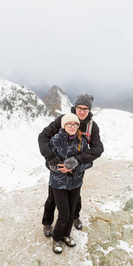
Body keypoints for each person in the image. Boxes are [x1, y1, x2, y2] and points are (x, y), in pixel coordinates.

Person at [38, 93, 104, 236]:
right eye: (79, 108)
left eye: (85, 109)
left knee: (75, 192)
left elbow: (98, 149)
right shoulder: (64, 120)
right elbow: (43, 136)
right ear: (74, 107)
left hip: (77, 167)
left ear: (89, 110)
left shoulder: (92, 127)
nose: (81, 111)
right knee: (53, 196)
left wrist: (77, 160)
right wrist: (50, 157)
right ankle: (48, 222)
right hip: (58, 167)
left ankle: (74, 216)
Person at [47, 113, 93, 254]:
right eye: (69, 124)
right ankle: (56, 239)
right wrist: (62, 169)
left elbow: (89, 162)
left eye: (75, 124)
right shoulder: (54, 140)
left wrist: (73, 168)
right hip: (58, 183)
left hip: (76, 183)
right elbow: (48, 164)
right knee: (64, 215)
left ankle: (66, 235)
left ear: (78, 126)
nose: (72, 126)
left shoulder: (82, 141)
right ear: (63, 125)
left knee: (72, 212)